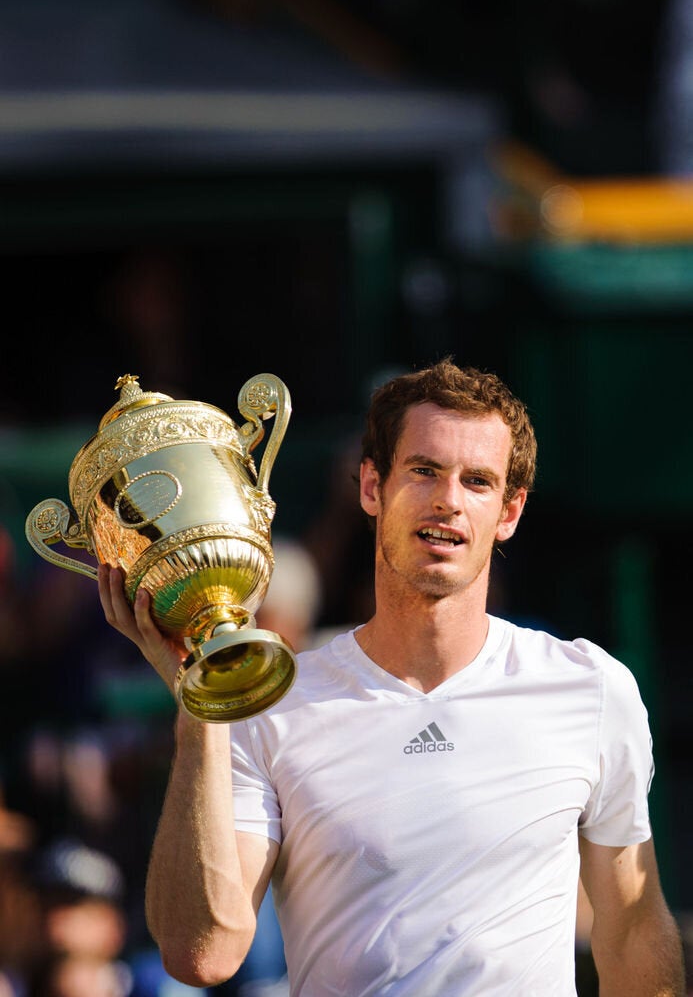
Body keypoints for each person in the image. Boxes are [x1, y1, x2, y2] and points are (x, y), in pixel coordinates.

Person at [96, 357, 685, 996]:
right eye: (424, 471)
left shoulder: (592, 686)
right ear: (372, 488)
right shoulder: (273, 706)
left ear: (510, 511)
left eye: (478, 481)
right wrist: (198, 701)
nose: (449, 501)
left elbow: (629, 925)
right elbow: (202, 954)